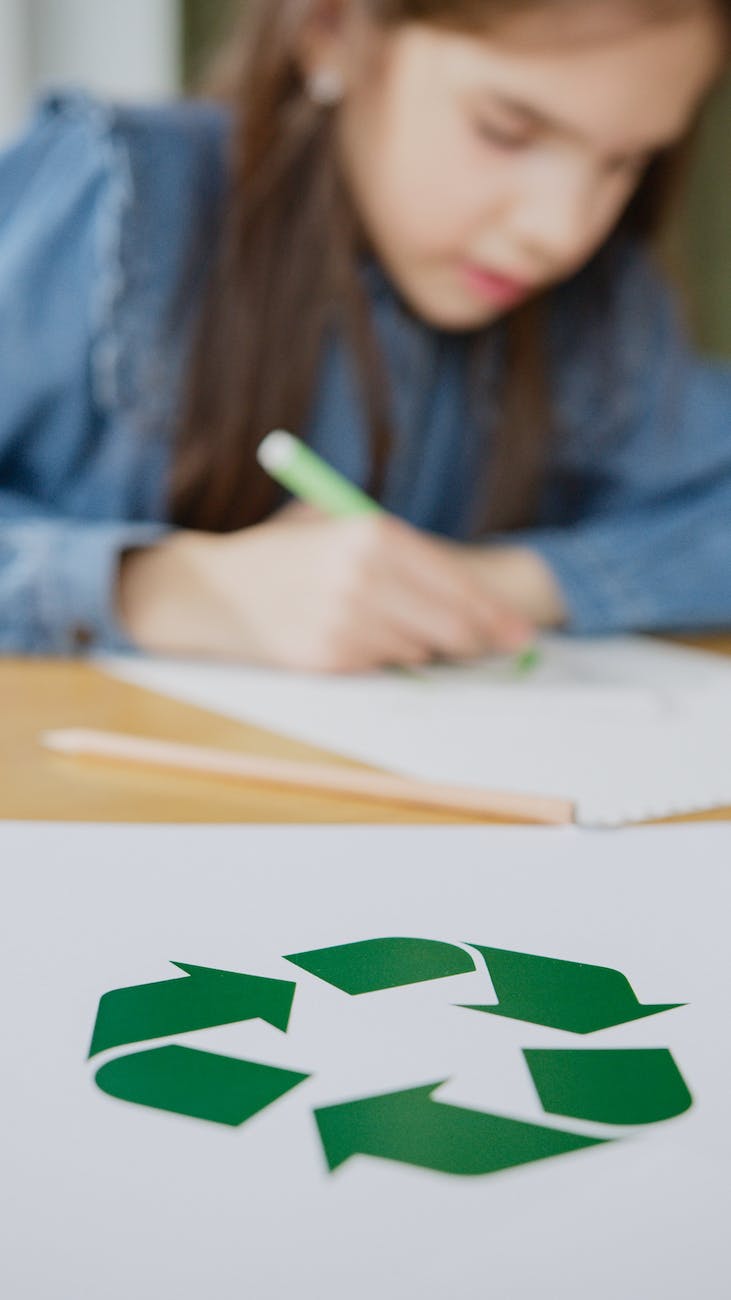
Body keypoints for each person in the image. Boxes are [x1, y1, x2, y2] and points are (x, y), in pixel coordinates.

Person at [0, 0, 729, 671]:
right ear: (331, 29)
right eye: (507, 131)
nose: (561, 231)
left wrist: (495, 585)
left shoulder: (600, 306)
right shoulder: (114, 205)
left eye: (624, 162)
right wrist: (165, 588)